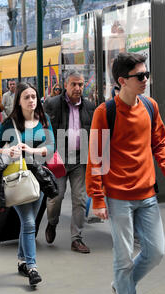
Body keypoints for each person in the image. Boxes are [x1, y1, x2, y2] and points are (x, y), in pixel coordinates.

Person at [86, 52, 165, 294]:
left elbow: (159, 143)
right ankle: (126, 292)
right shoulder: (104, 112)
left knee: (156, 252)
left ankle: (121, 284)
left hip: (147, 195)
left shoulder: (150, 106)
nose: (146, 79)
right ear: (122, 80)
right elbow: (97, 158)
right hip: (118, 198)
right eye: (140, 76)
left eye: (146, 74)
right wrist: (97, 198)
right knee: (124, 257)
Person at [0, 82, 55, 287]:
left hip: (39, 178)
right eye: (26, 97)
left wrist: (33, 151)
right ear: (18, 100)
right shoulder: (9, 124)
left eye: (34, 97)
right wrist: (7, 151)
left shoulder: (43, 121)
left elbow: (52, 148)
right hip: (17, 178)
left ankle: (21, 260)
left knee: (30, 222)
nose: (31, 101)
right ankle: (32, 267)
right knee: (28, 223)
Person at [44, 70, 96, 254]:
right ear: (65, 85)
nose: (77, 88)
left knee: (80, 199)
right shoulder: (52, 104)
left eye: (80, 84)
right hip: (58, 158)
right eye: (73, 84)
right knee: (55, 199)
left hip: (79, 160)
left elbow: (95, 133)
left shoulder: (90, 107)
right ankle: (52, 223)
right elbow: (44, 130)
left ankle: (77, 239)